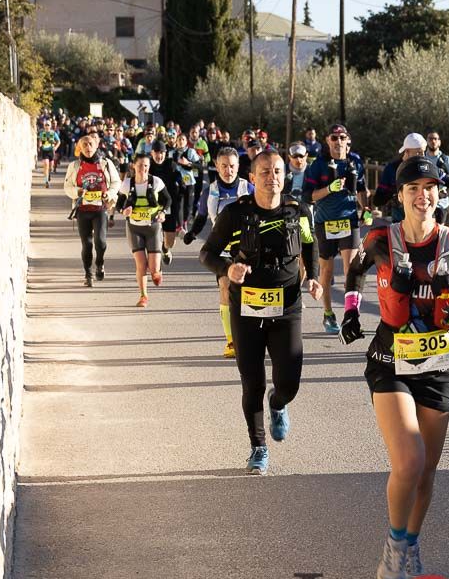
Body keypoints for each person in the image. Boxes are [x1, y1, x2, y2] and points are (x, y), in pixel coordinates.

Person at [340, 155, 449, 579]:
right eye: (413, 189)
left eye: (429, 188)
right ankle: (393, 542)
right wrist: (352, 313)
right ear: (401, 196)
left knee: (426, 472)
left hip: (439, 365)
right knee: (409, 459)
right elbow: (355, 274)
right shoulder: (381, 239)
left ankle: (410, 539)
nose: (422, 196)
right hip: (391, 360)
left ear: (438, 193)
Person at [201, 150, 321, 474]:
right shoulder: (235, 213)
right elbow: (207, 253)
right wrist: (227, 269)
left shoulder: (298, 210)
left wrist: (314, 277)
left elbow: (310, 244)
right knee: (252, 382)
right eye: (265, 172)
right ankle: (258, 448)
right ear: (252, 178)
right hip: (247, 308)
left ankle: (278, 403)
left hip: (287, 307)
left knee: (290, 381)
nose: (273, 178)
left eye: (278, 171)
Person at [186, 147, 254, 357]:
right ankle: (231, 341)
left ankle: (252, 335)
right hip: (222, 249)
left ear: (238, 167)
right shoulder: (210, 191)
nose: (228, 170)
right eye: (223, 166)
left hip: (247, 248)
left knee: (247, 292)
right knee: (225, 286)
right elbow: (201, 217)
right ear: (216, 166)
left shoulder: (249, 188)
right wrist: (192, 233)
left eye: (232, 166)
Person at [303, 124, 368, 334]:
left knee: (352, 270)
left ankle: (352, 314)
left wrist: (366, 209)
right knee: (327, 271)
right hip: (325, 222)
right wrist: (329, 189)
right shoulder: (318, 165)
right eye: (334, 137)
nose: (338, 141)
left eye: (342, 137)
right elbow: (308, 196)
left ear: (348, 140)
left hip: (349, 221)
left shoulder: (355, 161)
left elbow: (361, 189)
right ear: (327, 140)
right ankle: (328, 314)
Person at [63, 132, 121, 286]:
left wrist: (109, 194)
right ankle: (88, 274)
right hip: (82, 209)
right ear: (80, 148)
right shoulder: (74, 166)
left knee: (100, 242)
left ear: (96, 146)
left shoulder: (106, 163)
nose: (88, 147)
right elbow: (67, 187)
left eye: (90, 144)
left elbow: (116, 182)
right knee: (87, 244)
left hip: (100, 208)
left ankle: (100, 264)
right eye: (84, 145)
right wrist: (78, 192)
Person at [116, 153, 171, 307]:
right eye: (140, 165)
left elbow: (167, 200)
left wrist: (162, 212)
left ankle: (157, 272)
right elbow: (119, 204)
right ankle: (143, 296)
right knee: (141, 264)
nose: (143, 169)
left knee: (153, 269)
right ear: (134, 166)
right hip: (134, 228)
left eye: (146, 166)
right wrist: (122, 211)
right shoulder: (127, 184)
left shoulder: (156, 182)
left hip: (152, 227)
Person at [373, 133, 427, 223]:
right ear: (407, 152)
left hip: (423, 222)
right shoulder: (392, 169)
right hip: (400, 223)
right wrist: (396, 192)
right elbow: (378, 200)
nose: (423, 156)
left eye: (423, 152)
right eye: (419, 152)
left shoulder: (426, 166)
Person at [425, 131, 449, 224]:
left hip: (441, 205)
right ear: (426, 141)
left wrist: (444, 176)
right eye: (430, 139)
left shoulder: (446, 160)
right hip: (425, 203)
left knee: (440, 234)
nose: (433, 141)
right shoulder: (421, 158)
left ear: (439, 142)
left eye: (435, 139)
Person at [36, 123, 59, 188]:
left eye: (48, 125)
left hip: (51, 151)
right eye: (46, 125)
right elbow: (40, 141)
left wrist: (56, 147)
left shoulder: (53, 133)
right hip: (44, 151)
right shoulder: (42, 133)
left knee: (51, 167)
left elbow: (58, 141)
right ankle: (46, 181)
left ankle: (49, 174)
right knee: (46, 164)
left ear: (50, 126)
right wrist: (39, 146)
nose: (47, 126)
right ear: (44, 126)